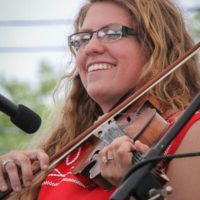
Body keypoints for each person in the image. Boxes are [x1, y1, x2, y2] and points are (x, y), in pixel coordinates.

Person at [0, 0, 200, 199]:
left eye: (112, 33)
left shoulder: (188, 131)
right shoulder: (68, 147)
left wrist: (138, 188)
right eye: (84, 38)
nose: (90, 48)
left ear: (156, 45)